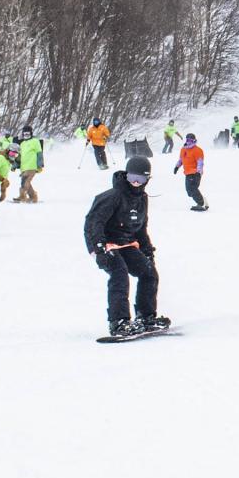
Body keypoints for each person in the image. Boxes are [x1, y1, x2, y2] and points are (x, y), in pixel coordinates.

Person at [84, 155, 168, 337]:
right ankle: (118, 322)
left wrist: (147, 251)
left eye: (141, 179)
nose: (136, 183)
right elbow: (93, 223)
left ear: (147, 179)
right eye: (132, 178)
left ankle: (146, 316)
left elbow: (140, 229)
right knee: (119, 274)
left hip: (125, 243)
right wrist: (99, 249)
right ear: (126, 176)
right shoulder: (112, 196)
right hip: (104, 243)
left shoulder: (142, 199)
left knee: (149, 273)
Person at [175, 132, 208, 211]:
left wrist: (198, 171)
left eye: (190, 140)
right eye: (187, 139)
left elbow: (200, 162)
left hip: (195, 173)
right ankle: (204, 203)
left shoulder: (197, 150)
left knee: (192, 189)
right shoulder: (183, 149)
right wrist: (177, 166)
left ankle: (201, 204)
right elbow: (181, 159)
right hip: (187, 173)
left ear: (194, 140)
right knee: (189, 192)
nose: (188, 141)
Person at [13, 126, 45, 202]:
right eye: (25, 133)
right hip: (23, 167)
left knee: (25, 181)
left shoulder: (35, 141)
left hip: (32, 166)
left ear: (31, 133)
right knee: (26, 182)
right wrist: (14, 165)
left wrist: (40, 165)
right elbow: (19, 156)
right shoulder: (22, 143)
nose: (26, 135)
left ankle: (22, 196)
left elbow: (39, 153)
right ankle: (33, 197)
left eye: (28, 133)